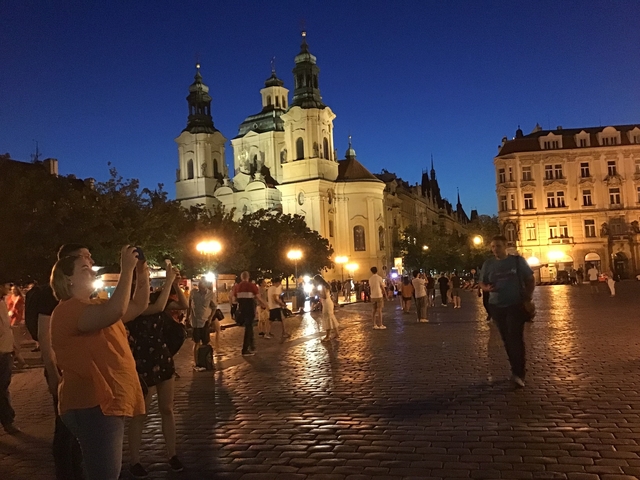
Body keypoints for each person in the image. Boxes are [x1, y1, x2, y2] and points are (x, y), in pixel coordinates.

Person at [50, 245, 149, 480]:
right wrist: (126, 271)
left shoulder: (92, 305)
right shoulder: (68, 311)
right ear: (68, 280)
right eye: (84, 268)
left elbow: (136, 306)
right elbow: (116, 310)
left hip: (103, 401)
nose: (91, 269)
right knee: (104, 475)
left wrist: (141, 271)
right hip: (93, 403)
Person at [27, 244, 91, 480]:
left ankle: (77, 468)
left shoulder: (76, 292)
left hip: (76, 368)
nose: (90, 260)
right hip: (62, 369)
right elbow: (45, 338)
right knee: (65, 426)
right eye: (85, 256)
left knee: (76, 426)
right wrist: (53, 373)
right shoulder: (48, 294)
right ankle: (67, 473)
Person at [127, 262, 188, 478]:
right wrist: (169, 280)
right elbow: (158, 308)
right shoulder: (130, 306)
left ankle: (172, 454)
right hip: (141, 362)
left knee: (167, 408)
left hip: (161, 358)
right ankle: (135, 460)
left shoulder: (155, 299)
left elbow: (182, 304)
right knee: (139, 413)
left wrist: (176, 284)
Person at [479, 235, 535, 388]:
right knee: (506, 338)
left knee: (515, 337)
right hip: (496, 306)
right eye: (492, 246)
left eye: (498, 246)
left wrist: (528, 298)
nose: (495, 249)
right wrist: (486, 288)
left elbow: (530, 279)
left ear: (505, 246)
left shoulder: (517, 261)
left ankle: (519, 372)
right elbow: (481, 282)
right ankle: (515, 368)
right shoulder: (488, 264)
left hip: (515, 305)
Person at [0, 280, 25, 435]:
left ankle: (8, 420)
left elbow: (7, 329)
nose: (8, 288)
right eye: (4, 285)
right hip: (1, 352)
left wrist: (15, 351)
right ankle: (8, 421)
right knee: (2, 389)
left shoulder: (2, 302)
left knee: (4, 388)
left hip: (6, 351)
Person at [233, 271, 268, 356]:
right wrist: (266, 305)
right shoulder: (251, 286)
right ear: (248, 277)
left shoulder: (237, 287)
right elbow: (258, 297)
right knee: (248, 328)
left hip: (241, 310)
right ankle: (245, 349)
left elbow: (234, 299)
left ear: (241, 277)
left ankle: (252, 346)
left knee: (249, 327)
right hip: (250, 309)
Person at [187, 280, 216, 369]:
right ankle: (197, 363)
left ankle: (207, 361)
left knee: (206, 342)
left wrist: (210, 318)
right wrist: (187, 317)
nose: (200, 288)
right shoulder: (193, 293)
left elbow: (214, 307)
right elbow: (189, 306)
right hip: (195, 322)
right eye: (199, 286)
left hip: (205, 320)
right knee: (196, 342)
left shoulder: (210, 294)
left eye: (202, 286)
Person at [313, 275, 340, 341]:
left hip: (327, 304)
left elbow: (324, 296)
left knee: (327, 318)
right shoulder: (325, 285)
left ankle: (327, 336)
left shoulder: (322, 286)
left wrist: (317, 293)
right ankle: (336, 333)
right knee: (331, 317)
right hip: (327, 303)